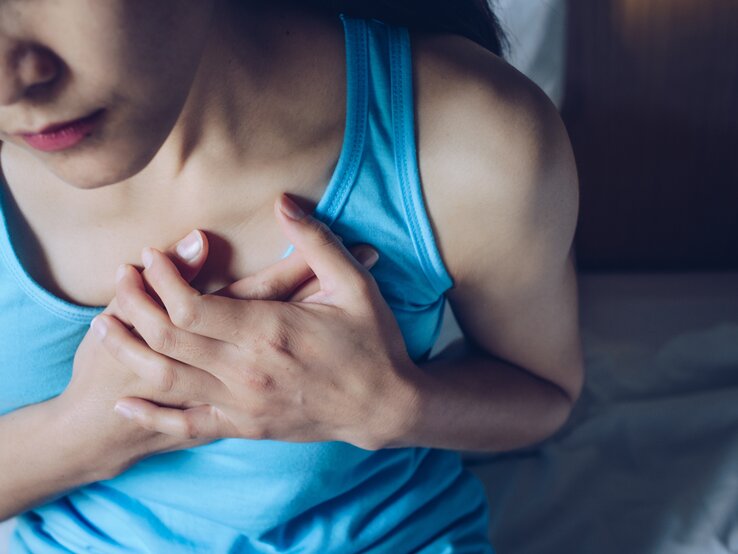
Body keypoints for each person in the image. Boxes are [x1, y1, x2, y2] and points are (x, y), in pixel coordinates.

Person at [0, 0, 584, 551]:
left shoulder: (470, 137)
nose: (8, 81)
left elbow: (546, 394)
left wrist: (394, 407)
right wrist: (87, 430)